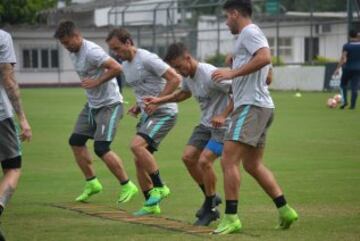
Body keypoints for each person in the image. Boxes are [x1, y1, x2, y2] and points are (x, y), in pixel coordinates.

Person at [210, 0, 298, 234]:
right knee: (252, 164)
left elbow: (265, 57)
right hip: (260, 107)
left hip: (251, 107)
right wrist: (238, 62)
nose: (226, 21)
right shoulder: (245, 37)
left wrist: (233, 71)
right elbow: (267, 72)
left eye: (227, 17)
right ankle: (285, 210)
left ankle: (231, 217)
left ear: (236, 13)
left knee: (228, 160)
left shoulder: (250, 31)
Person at [143, 42, 232, 226]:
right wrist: (159, 100)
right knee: (188, 158)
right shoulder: (188, 75)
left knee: (205, 161)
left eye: (179, 66)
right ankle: (212, 198)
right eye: (174, 67)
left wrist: (223, 115)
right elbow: (183, 94)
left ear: (188, 58)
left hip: (224, 127)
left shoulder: (209, 74)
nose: (177, 71)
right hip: (205, 125)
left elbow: (239, 92)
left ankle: (210, 208)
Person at [54, 21, 138, 203]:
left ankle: (127, 185)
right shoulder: (74, 52)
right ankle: (92, 183)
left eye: (68, 42)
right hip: (92, 105)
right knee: (76, 141)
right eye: (63, 44)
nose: (66, 47)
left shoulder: (92, 51)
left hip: (110, 105)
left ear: (77, 36)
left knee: (101, 148)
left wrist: (97, 82)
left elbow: (117, 67)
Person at [106, 28, 181, 216]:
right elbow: (143, 90)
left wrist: (158, 102)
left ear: (128, 42)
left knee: (136, 146)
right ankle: (151, 203)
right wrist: (138, 107)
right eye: (113, 50)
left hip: (165, 113)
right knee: (139, 160)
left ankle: (160, 186)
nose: (116, 53)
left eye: (117, 48)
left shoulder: (147, 58)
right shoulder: (126, 65)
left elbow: (175, 79)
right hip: (149, 114)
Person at [0, 29, 32, 240]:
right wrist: (22, 119)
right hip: (0, 116)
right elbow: (8, 78)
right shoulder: (2, 37)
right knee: (13, 166)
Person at [334, 30, 360, 110]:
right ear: (357, 36)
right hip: (358, 69)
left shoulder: (347, 46)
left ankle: (345, 102)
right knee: (354, 87)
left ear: (349, 36)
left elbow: (343, 58)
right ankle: (352, 106)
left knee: (343, 84)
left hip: (348, 68)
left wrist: (337, 68)